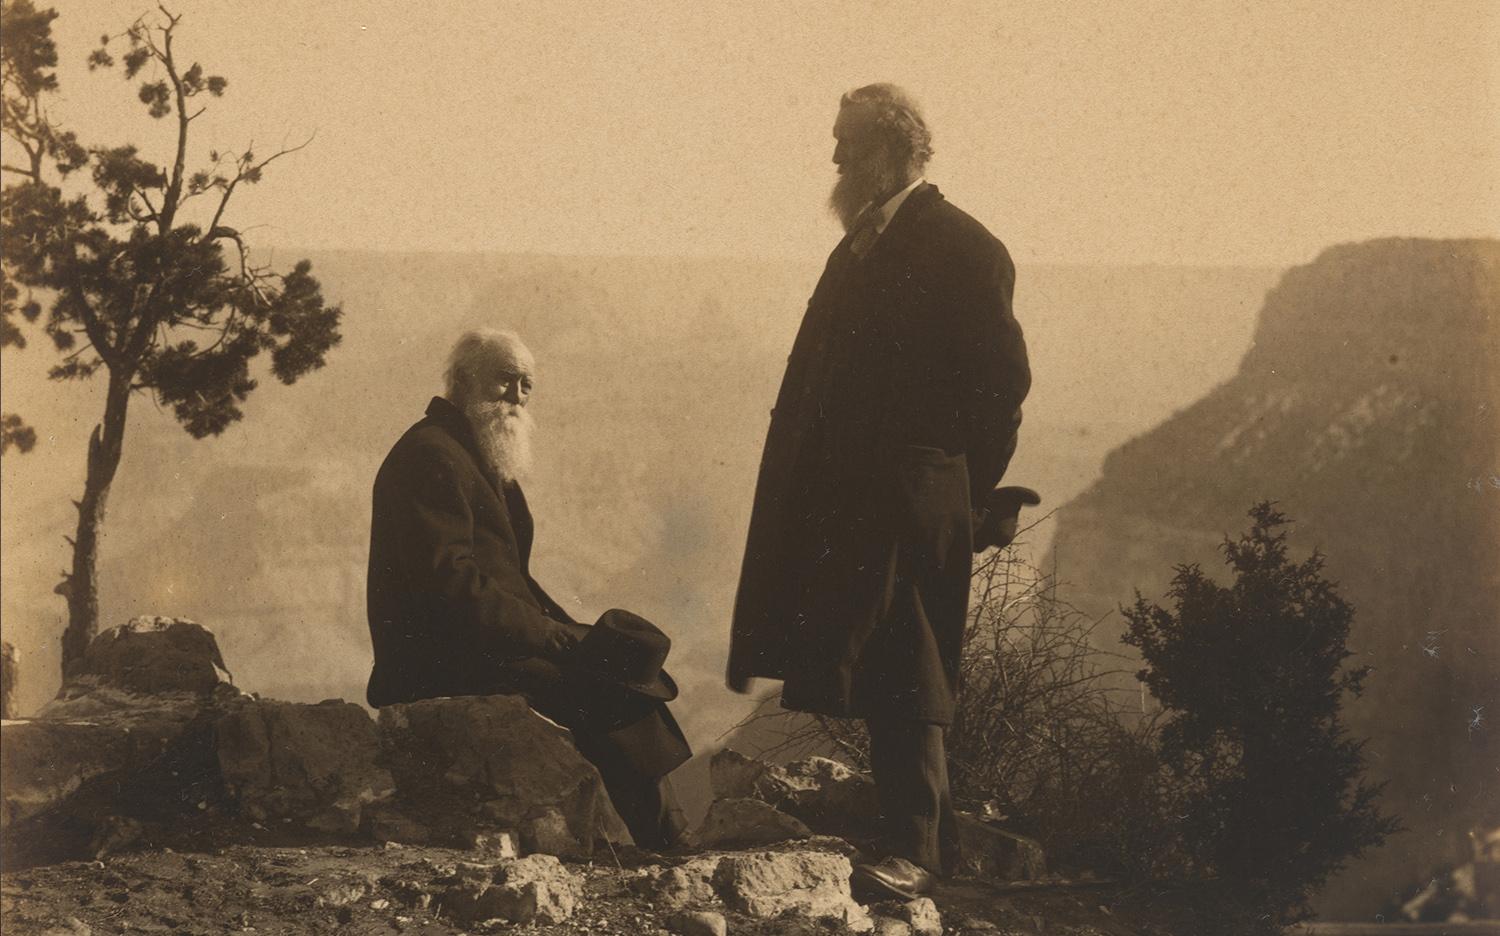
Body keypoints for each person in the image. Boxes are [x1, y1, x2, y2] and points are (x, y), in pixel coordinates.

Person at [727, 83, 1032, 899]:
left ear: (892, 150)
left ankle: (919, 855)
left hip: (912, 501)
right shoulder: (857, 246)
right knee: (882, 661)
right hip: (852, 505)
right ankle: (930, 838)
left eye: (847, 143)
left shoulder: (965, 247)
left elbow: (1001, 387)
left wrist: (959, 489)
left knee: (912, 667)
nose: (833, 158)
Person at [366, 327, 691, 850]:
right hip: (435, 655)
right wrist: (553, 638)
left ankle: (667, 834)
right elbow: (450, 584)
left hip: (479, 638)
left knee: (622, 668)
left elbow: (506, 579)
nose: (516, 396)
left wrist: (568, 633)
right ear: (464, 380)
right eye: (504, 380)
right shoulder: (432, 454)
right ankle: (666, 840)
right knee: (603, 689)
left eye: (527, 384)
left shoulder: (472, 451)